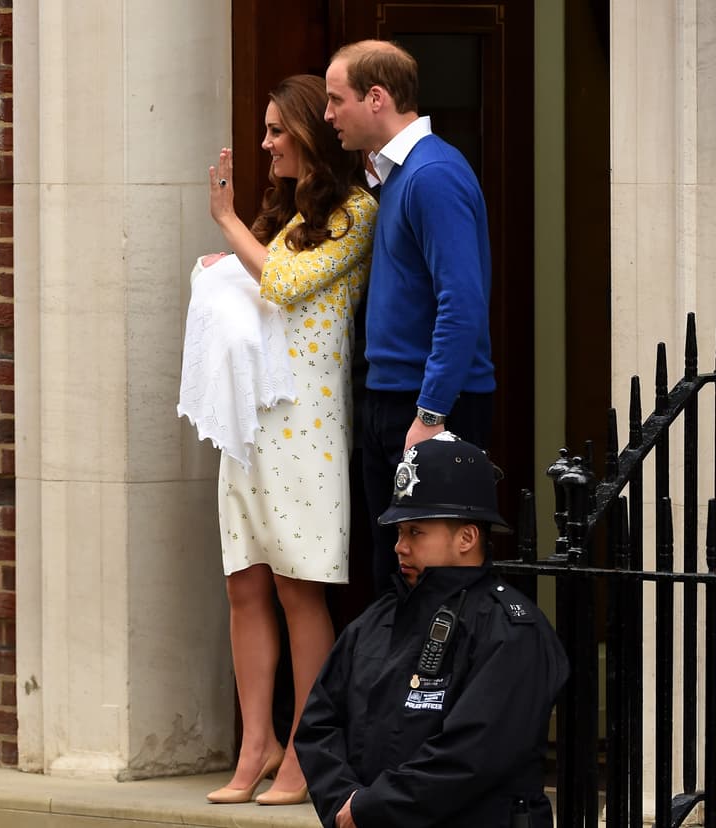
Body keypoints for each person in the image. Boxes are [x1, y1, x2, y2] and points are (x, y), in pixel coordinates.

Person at [202, 74, 377, 806]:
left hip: (308, 428)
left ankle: (307, 751)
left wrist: (227, 225)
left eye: (278, 130)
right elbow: (262, 286)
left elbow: (285, 283)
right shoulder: (285, 216)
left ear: (307, 133)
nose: (266, 142)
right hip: (251, 425)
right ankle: (256, 747)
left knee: (297, 589)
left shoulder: (357, 213)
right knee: (245, 586)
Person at [295, 432, 568, 827]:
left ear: (467, 537)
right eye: (399, 532)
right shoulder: (377, 619)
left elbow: (473, 754)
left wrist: (370, 809)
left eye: (416, 532)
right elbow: (318, 723)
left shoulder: (511, 629)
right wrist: (345, 803)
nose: (399, 547)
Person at [323, 40, 496, 596]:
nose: (328, 116)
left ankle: (439, 687)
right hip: (391, 399)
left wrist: (430, 412)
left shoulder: (433, 175)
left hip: (427, 407)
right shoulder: (399, 176)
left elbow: (462, 301)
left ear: (376, 98)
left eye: (335, 99)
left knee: (433, 579)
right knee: (392, 573)